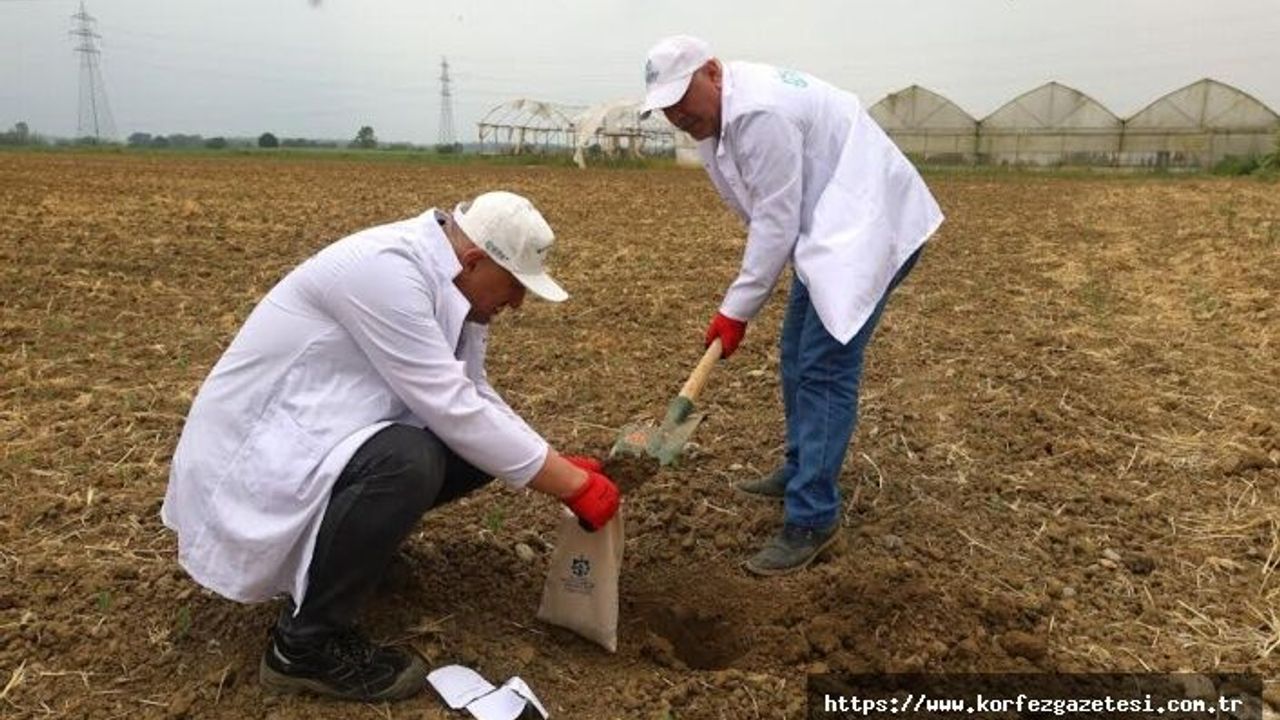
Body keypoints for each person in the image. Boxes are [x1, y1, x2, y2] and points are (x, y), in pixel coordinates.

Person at [162, 191, 620, 702]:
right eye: (514, 286)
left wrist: (550, 462)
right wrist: (570, 484)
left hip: (320, 432)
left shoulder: (453, 285)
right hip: (255, 456)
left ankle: (349, 559)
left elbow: (472, 390)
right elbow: (450, 405)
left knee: (469, 452)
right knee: (407, 461)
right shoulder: (384, 272)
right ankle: (303, 649)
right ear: (474, 260)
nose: (516, 303)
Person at [640, 36, 944, 576]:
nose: (676, 113)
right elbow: (759, 212)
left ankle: (813, 518)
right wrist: (742, 302)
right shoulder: (716, 123)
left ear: (712, 72)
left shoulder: (759, 113)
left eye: (681, 97)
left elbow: (775, 222)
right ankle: (803, 466)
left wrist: (736, 310)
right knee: (794, 353)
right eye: (665, 106)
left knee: (824, 368)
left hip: (865, 226)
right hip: (826, 229)